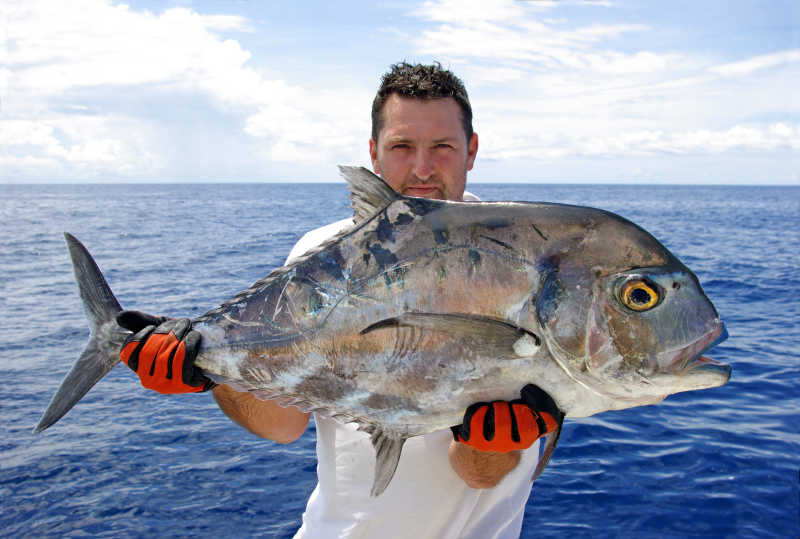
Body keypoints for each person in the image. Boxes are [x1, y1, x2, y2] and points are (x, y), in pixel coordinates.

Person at [116, 62, 560, 539]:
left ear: (471, 150)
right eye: (402, 147)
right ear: (373, 153)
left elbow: (478, 474)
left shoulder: (519, 257)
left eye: (443, 147)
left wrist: (493, 445)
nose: (423, 168)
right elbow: (282, 425)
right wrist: (206, 372)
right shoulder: (321, 252)